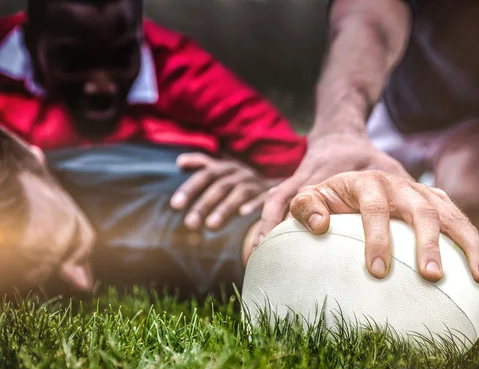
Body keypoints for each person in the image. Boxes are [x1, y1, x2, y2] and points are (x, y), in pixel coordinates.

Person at [258, 0, 479, 325]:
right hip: (397, 96)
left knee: (476, 219)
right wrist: (339, 133)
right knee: (326, 204)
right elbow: (367, 16)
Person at [0, 0, 305, 295]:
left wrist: (267, 185)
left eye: (122, 59)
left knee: (197, 187)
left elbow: (291, 159)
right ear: (30, 38)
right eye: (73, 62)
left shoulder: (179, 65)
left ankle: (278, 253)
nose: (101, 86)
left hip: (171, 192)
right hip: (32, 189)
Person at [0, 127, 261, 298]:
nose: (83, 285)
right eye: (38, 284)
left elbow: (267, 244)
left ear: (35, 159)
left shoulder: (169, 201)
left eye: (72, 243)